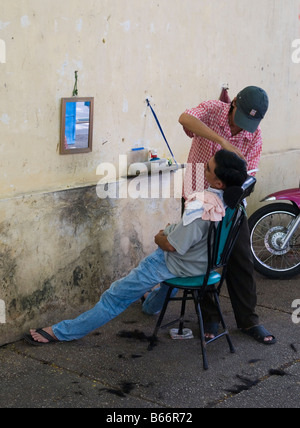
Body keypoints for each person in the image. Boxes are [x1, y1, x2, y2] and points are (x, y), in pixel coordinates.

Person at [24, 150, 247, 345]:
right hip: (202, 266)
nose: (204, 169)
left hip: (176, 263)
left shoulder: (202, 207)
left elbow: (172, 246)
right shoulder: (235, 205)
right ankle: (150, 306)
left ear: (219, 183)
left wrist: (160, 236)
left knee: (114, 298)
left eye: (208, 168)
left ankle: (62, 332)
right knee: (160, 284)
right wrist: (176, 230)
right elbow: (195, 237)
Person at [152, 85, 275, 345]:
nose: (242, 129)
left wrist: (231, 198)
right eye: (240, 120)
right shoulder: (212, 110)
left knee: (240, 259)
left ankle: (249, 320)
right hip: (196, 197)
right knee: (202, 259)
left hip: (228, 203)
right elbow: (184, 118)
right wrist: (222, 141)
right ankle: (210, 319)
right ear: (232, 106)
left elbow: (249, 175)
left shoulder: (255, 135)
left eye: (249, 124)